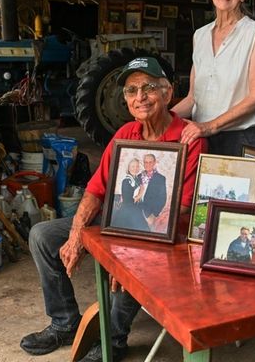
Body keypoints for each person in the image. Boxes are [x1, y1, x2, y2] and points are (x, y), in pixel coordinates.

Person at [20, 57, 207, 361]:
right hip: (117, 222)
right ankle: (65, 322)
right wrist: (77, 234)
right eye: (132, 90)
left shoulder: (189, 139)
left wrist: (122, 252)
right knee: (42, 235)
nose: (140, 97)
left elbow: (182, 210)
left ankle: (113, 341)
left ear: (167, 93)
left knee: (130, 264)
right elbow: (96, 190)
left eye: (149, 88)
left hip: (162, 233)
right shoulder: (125, 135)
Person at [172, 0, 255, 156]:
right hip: (203, 138)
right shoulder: (199, 36)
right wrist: (159, 116)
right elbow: (193, 98)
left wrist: (209, 126)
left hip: (244, 139)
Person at [110, 158, 148, 231]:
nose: (135, 168)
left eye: (137, 166)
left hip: (137, 209)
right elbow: (128, 201)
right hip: (128, 211)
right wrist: (140, 193)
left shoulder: (137, 179)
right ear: (128, 168)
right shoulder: (126, 181)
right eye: (133, 166)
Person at [135, 153, 167, 231]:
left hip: (150, 213)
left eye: (150, 162)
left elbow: (162, 198)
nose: (148, 164)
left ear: (154, 162)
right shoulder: (138, 177)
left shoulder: (160, 178)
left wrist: (154, 214)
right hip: (136, 210)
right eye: (146, 162)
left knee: (148, 234)